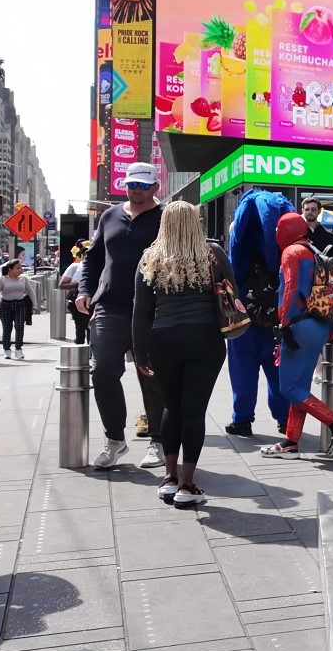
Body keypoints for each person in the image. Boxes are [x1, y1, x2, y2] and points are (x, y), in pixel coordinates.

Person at [133, 202, 234, 509]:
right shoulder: (212, 253)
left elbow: (140, 310)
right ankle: (188, 485)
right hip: (205, 339)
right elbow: (234, 291)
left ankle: (168, 480)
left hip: (163, 339)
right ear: (195, 222)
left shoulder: (150, 257)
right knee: (194, 411)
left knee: (172, 408)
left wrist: (139, 351)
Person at [78, 161, 167, 470]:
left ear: (156, 188)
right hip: (110, 306)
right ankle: (115, 439)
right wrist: (84, 290)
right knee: (102, 370)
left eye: (143, 186)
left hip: (153, 310)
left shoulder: (166, 218)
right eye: (131, 185)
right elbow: (93, 258)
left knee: (153, 377)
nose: (136, 190)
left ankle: (159, 440)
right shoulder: (110, 216)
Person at [261, 212, 333, 458]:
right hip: (319, 324)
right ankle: (291, 442)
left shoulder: (291, 252)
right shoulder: (313, 249)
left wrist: (284, 322)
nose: (277, 234)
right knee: (299, 386)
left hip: (299, 325)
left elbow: (290, 289)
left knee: (290, 387)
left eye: (279, 229)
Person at [226, 188, 293, 438]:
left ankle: (242, 420)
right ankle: (284, 419)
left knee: (242, 367)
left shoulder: (240, 234)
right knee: (277, 368)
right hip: (278, 314)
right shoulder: (286, 242)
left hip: (245, 315)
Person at [0, 261, 31, 359]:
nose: (20, 270)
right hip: (5, 305)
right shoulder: (2, 279)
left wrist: (35, 305)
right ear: (10, 269)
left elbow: (31, 292)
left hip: (20, 305)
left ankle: (18, 349)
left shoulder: (24, 279)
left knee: (19, 327)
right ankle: (7, 349)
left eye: (20, 268)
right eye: (17, 268)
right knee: (7, 328)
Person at [58, 241, 90, 345]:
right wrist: (77, 284)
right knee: (80, 328)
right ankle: (80, 352)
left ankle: (91, 352)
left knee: (92, 329)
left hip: (93, 301)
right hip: (76, 300)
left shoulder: (99, 267)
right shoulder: (75, 267)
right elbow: (61, 285)